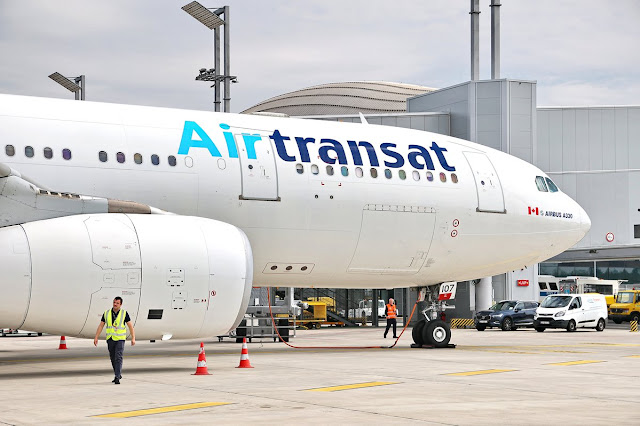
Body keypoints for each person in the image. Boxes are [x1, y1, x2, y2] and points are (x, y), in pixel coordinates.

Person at [94, 297, 135, 384]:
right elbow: (101, 325)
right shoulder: (107, 313)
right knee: (112, 357)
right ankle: (118, 373)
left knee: (118, 357)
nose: (115, 304)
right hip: (110, 338)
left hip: (120, 339)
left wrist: (133, 338)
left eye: (117, 303)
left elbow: (130, 326)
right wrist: (96, 337)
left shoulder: (124, 313)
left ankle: (117, 376)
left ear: (120, 304)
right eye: (114, 302)